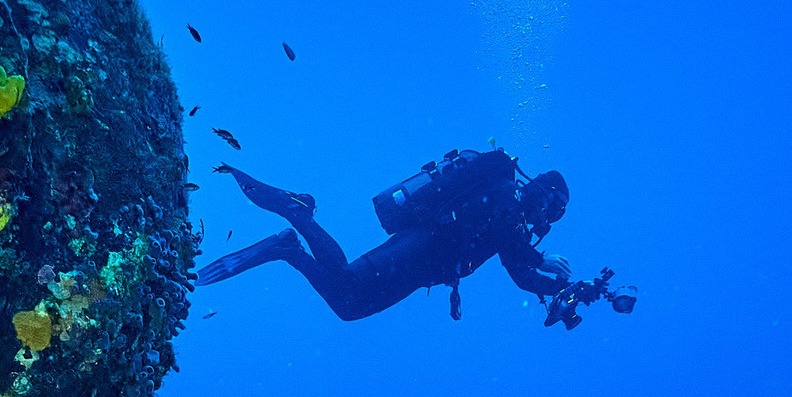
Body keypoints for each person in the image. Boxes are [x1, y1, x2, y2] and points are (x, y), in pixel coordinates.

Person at [194, 149, 633, 328]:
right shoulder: (505, 200)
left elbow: (518, 258)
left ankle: (289, 247)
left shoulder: (510, 213)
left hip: (426, 265)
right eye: (553, 209)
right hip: (421, 245)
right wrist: (554, 279)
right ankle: (298, 217)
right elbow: (518, 268)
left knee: (350, 306)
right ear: (543, 194)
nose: (548, 220)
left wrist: (545, 270)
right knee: (347, 281)